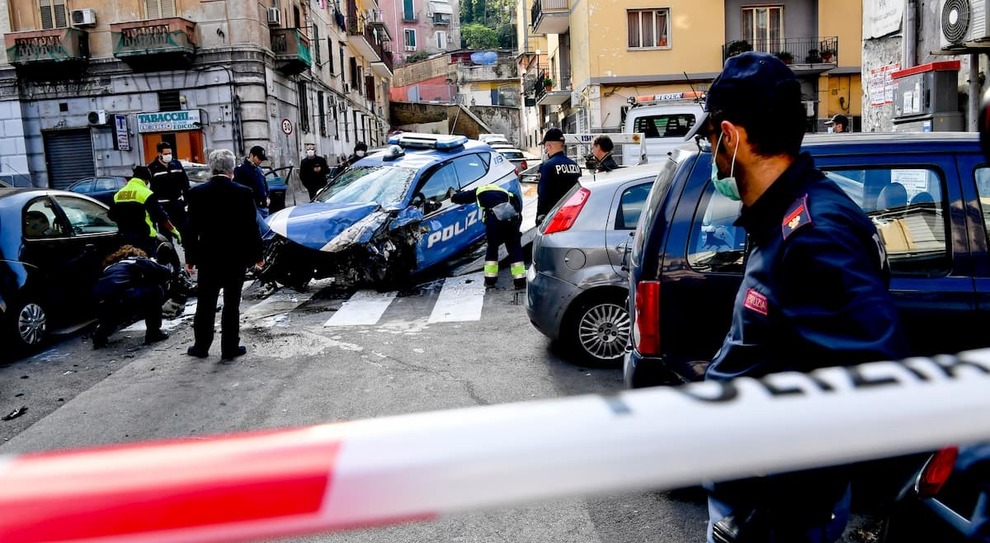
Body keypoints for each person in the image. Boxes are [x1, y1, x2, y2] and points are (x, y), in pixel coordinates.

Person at [685, 51, 908, 543]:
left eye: (710, 140)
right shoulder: (784, 217)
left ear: (730, 137)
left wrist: (772, 511)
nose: (711, 156)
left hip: (775, 519)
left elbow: (872, 384)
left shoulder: (813, 232)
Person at [184, 149, 264, 361]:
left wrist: (190, 258)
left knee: (206, 303)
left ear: (211, 169)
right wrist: (258, 254)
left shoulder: (196, 194)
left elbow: (190, 230)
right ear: (232, 170)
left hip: (208, 257)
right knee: (231, 304)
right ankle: (229, 347)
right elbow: (251, 227)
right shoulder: (244, 193)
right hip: (235, 257)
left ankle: (201, 346)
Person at [92, 245, 172, 349]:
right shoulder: (134, 260)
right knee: (155, 290)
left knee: (114, 310)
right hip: (126, 295)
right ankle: (154, 332)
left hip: (102, 299)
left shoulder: (110, 267)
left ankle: (100, 335)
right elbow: (163, 270)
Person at [450, 184, 525, 289]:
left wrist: (452, 194)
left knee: (492, 250)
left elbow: (461, 198)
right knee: (514, 250)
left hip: (495, 224)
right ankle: (520, 281)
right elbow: (518, 208)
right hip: (511, 222)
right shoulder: (505, 192)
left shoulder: (479, 190)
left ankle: (490, 280)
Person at [109, 165, 182, 257]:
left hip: (124, 238)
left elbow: (111, 216)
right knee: (148, 265)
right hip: (145, 238)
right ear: (146, 180)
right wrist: (174, 231)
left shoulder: (119, 194)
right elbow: (160, 216)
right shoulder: (146, 193)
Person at [535, 128, 582, 223]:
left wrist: (539, 218)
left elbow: (543, 195)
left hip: (554, 219)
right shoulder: (575, 166)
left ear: (548, 146)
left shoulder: (547, 166)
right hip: (573, 216)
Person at [147, 141, 190, 239]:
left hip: (178, 204)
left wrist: (186, 202)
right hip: (163, 205)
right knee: (166, 234)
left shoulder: (177, 164)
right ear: (159, 154)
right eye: (166, 154)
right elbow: (150, 189)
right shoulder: (152, 168)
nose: (168, 156)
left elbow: (185, 184)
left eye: (170, 153)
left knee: (184, 232)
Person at [233, 145, 271, 236]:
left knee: (266, 231)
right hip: (253, 206)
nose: (260, 161)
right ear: (251, 155)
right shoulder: (240, 169)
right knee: (265, 231)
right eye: (259, 158)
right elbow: (238, 188)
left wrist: (267, 197)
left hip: (264, 206)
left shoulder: (259, 169)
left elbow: (264, 184)